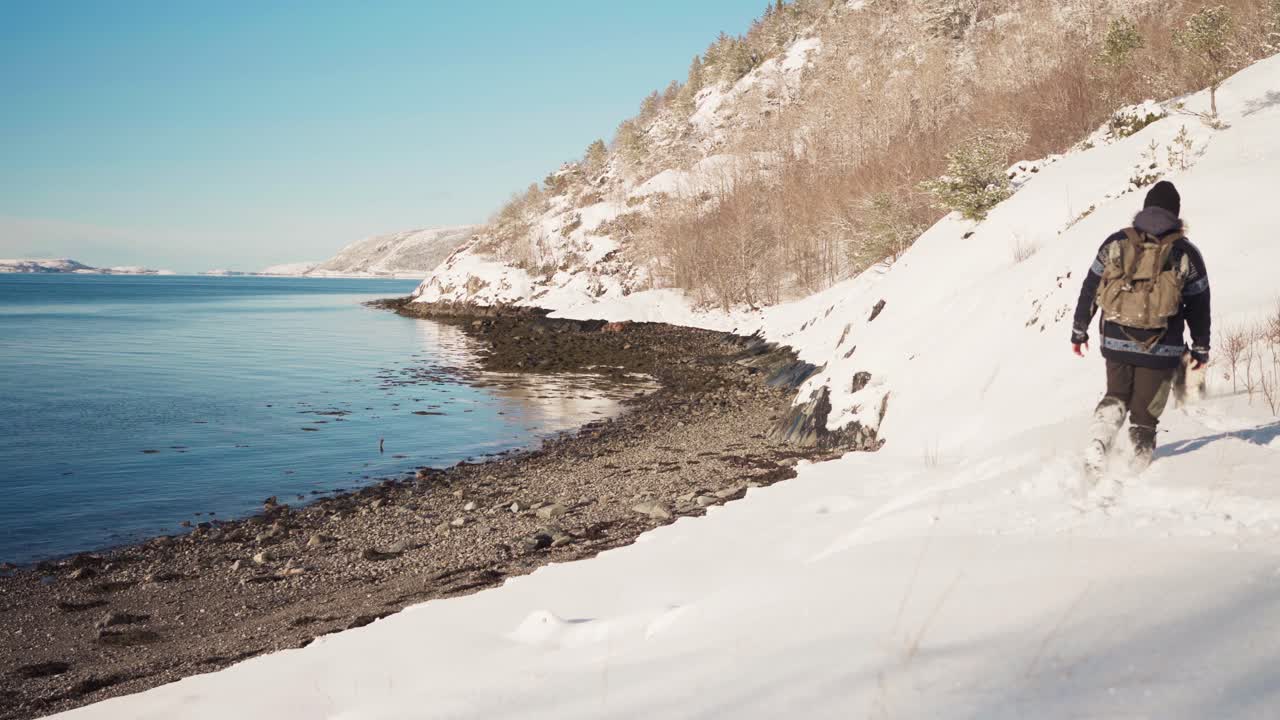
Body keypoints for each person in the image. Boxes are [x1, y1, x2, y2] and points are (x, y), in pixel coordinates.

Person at [1071, 180, 1211, 477]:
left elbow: (1091, 287)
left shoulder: (1116, 242)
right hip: (1163, 346)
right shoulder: (1185, 252)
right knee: (1145, 413)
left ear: (1145, 208)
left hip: (1115, 339)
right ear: (1176, 213)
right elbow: (1199, 304)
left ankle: (1099, 442)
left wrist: (1079, 330)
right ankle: (1137, 466)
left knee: (1116, 394)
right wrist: (1200, 348)